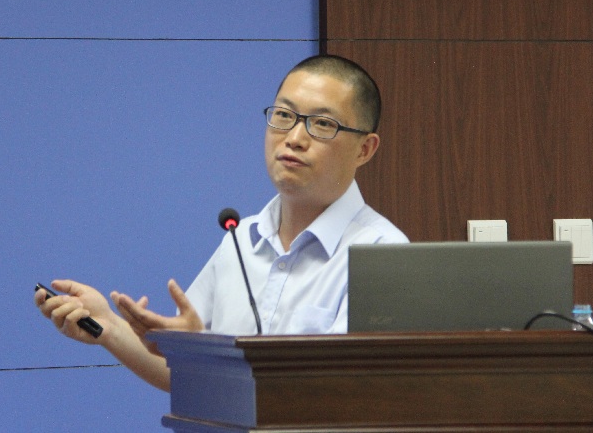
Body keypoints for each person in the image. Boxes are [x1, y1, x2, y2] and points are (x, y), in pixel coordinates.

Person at [35, 54, 408, 392]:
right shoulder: (241, 238)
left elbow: (346, 398)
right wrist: (109, 327)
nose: (294, 138)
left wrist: (203, 356)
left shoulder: (384, 256)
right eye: (284, 116)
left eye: (322, 124)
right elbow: (185, 377)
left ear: (364, 149)